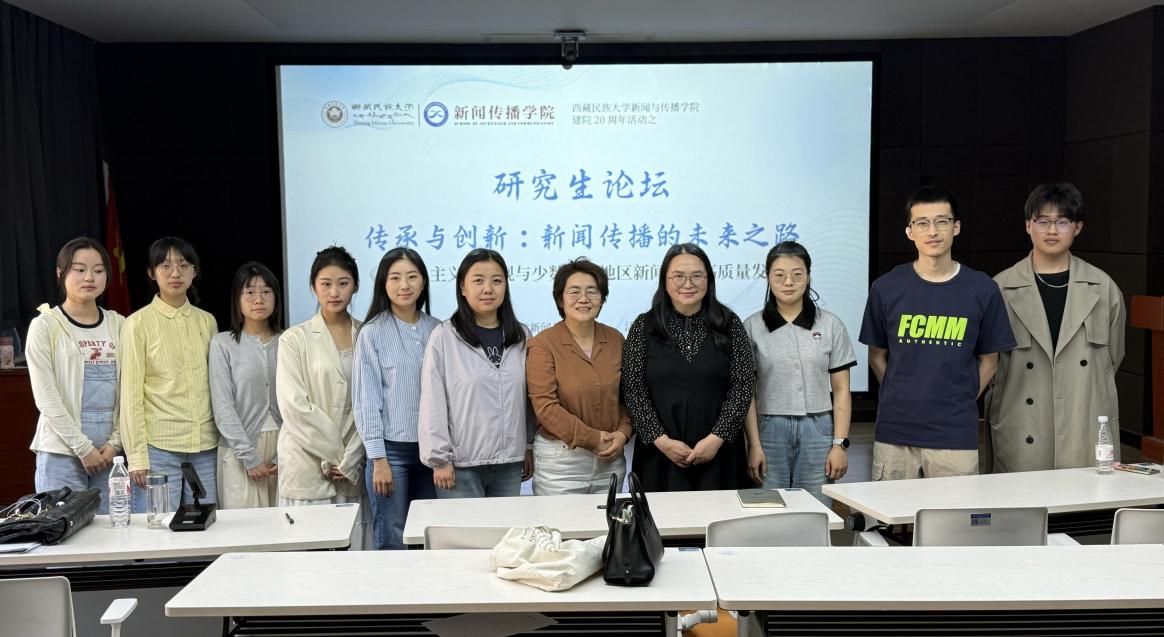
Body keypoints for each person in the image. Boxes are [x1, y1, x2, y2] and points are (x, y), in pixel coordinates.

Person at [859, 186, 1016, 480]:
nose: (932, 231)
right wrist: (901, 394)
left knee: (954, 511)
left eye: (942, 221)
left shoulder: (982, 289)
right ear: (910, 232)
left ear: (956, 227)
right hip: (896, 432)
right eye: (922, 223)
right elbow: (876, 356)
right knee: (891, 510)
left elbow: (990, 361)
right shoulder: (886, 288)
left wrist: (959, 399)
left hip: (955, 433)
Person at [986, 183, 1126, 472]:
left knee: (1086, 496)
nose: (1052, 230)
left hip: (1083, 419)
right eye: (1042, 221)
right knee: (1020, 497)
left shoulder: (1103, 288)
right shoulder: (1000, 288)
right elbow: (990, 364)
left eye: (1062, 222)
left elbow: (1114, 357)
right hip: (1022, 422)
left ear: (1078, 228)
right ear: (1028, 226)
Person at [622, 243, 755, 492]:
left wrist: (716, 438)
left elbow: (743, 385)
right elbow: (633, 389)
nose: (688, 283)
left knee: (719, 515)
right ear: (665, 281)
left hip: (720, 453)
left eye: (697, 276)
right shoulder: (644, 326)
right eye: (679, 276)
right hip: (659, 454)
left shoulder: (729, 324)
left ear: (709, 280)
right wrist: (662, 441)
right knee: (661, 516)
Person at [743, 241, 856, 505]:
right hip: (769, 430)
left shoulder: (830, 325)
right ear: (768, 278)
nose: (788, 282)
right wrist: (754, 445)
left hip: (818, 430)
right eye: (779, 275)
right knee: (767, 510)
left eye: (797, 274)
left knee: (816, 509)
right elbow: (747, 394)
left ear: (808, 277)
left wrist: (839, 444)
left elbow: (842, 391)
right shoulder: (752, 327)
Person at [418, 248, 534, 498]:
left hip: (510, 463)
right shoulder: (444, 336)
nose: (488, 289)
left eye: (497, 281)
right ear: (463, 287)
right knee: (464, 526)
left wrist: (527, 446)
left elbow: (527, 399)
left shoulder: (521, 336)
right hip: (461, 465)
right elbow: (432, 401)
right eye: (478, 281)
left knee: (506, 525)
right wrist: (439, 459)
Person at [277, 246, 369, 546]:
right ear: (313, 286)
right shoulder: (294, 338)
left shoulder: (368, 334)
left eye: (343, 283)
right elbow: (294, 406)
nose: (334, 292)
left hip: (353, 465)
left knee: (355, 553)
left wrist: (352, 458)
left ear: (355, 286)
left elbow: (373, 404)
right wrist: (338, 457)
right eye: (326, 283)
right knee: (308, 558)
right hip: (307, 460)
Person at [27, 238, 126, 513]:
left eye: (98, 270)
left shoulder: (120, 324)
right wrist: (83, 448)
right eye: (79, 269)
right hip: (62, 451)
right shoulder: (45, 325)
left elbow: (131, 390)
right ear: (61, 273)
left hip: (110, 455)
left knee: (114, 530)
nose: (89, 277)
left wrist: (115, 443)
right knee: (63, 529)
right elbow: (46, 396)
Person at [120, 236, 219, 509]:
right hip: (159, 448)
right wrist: (137, 456)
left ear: (194, 272)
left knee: (205, 524)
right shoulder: (137, 324)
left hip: (205, 447)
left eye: (184, 265)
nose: (175, 273)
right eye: (165, 266)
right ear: (152, 273)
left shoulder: (207, 321)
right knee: (160, 526)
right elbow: (130, 395)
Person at [353, 248, 440, 549]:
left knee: (429, 537)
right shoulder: (372, 333)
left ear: (423, 282)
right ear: (383, 283)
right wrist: (378, 458)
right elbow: (367, 401)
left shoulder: (438, 329)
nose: (405, 285)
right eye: (395, 277)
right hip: (391, 454)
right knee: (393, 537)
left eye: (412, 276)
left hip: (432, 453)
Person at [526, 258, 632, 495]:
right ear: (560, 299)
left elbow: (629, 396)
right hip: (561, 463)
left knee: (609, 520)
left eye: (592, 291)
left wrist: (623, 434)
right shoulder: (543, 344)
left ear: (602, 298)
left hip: (611, 458)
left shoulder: (616, 339)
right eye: (574, 292)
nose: (584, 299)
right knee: (561, 520)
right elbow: (545, 406)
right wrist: (593, 439)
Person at [209, 262, 284, 509]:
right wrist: (249, 457)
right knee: (244, 525)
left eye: (266, 291)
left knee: (286, 523)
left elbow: (300, 402)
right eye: (250, 292)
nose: (258, 299)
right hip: (239, 449)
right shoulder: (223, 344)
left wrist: (284, 453)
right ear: (237, 298)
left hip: (285, 447)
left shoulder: (289, 341)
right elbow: (223, 407)